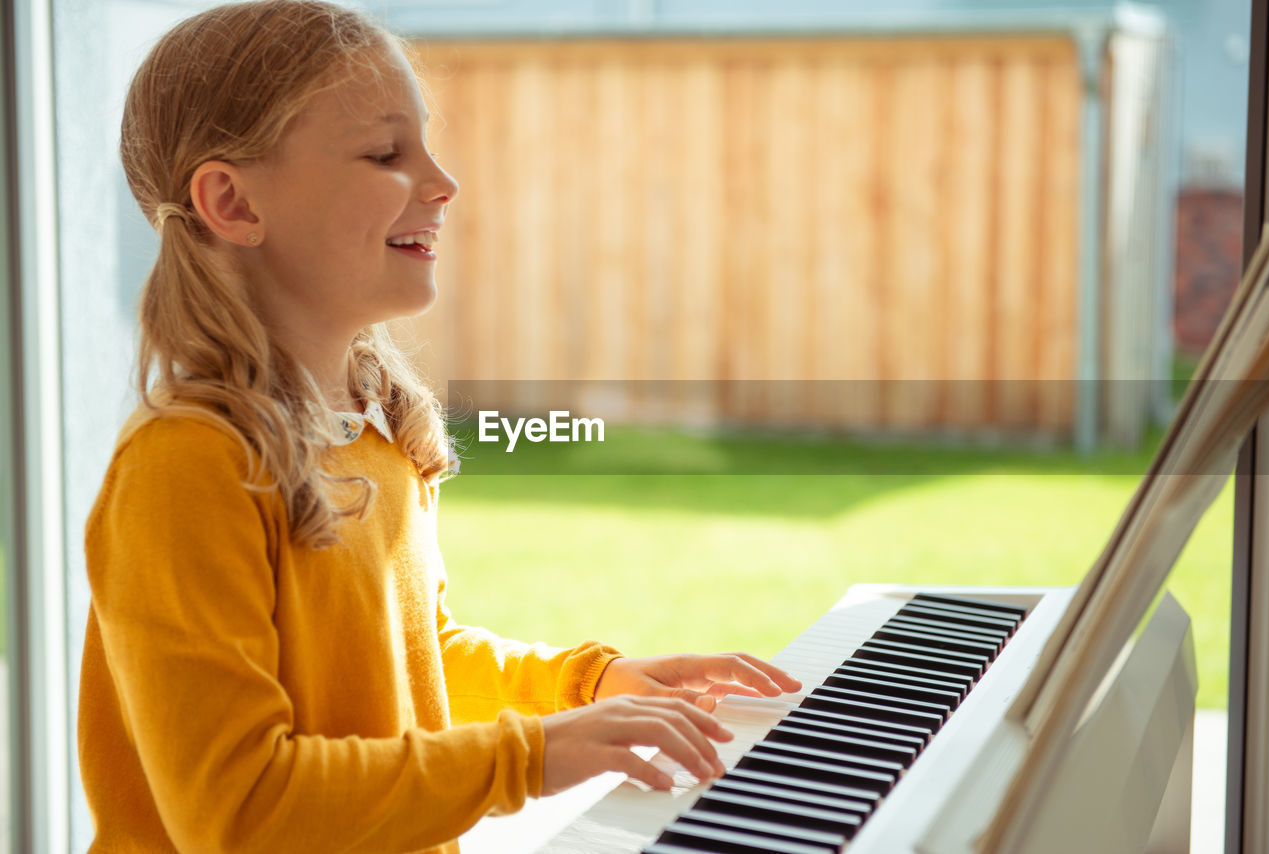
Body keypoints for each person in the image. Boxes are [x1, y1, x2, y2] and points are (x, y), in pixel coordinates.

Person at [77, 1, 803, 851]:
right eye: (386, 153)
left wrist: (586, 686)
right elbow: (239, 808)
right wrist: (525, 758)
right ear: (232, 202)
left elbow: (415, 657)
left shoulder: (371, 428)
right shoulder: (186, 467)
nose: (443, 182)